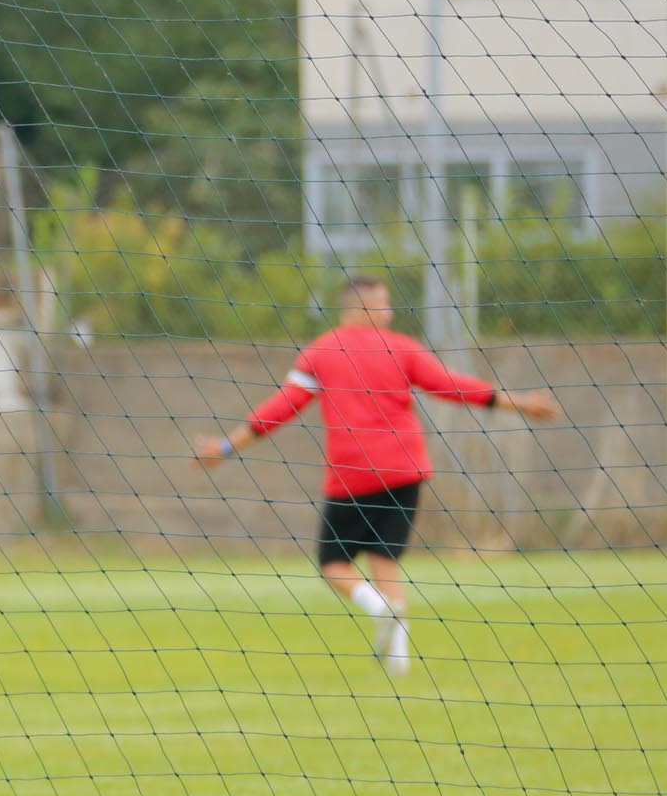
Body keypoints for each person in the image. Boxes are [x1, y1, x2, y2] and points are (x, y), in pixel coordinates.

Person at [195, 275, 560, 674]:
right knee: (385, 561)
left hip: (352, 476)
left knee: (333, 564)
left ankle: (380, 615)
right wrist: (517, 403)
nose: (389, 313)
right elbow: (450, 386)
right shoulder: (402, 349)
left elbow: (281, 409)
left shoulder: (322, 351)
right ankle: (397, 655)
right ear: (361, 308)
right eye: (383, 305)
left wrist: (226, 447)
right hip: (406, 472)